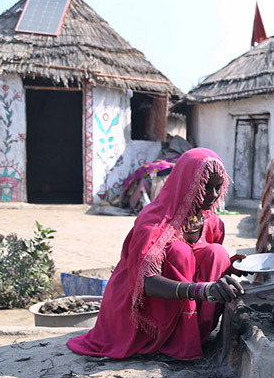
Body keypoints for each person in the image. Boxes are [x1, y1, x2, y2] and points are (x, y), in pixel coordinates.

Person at [67, 148, 245, 360]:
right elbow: (146, 283)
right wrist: (201, 289)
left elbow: (203, 261)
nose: (213, 195)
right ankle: (167, 341)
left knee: (218, 253)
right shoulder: (152, 223)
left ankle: (192, 337)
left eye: (218, 188)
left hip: (182, 304)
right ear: (187, 184)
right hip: (136, 312)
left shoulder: (213, 222)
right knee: (179, 252)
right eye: (205, 187)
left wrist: (229, 267)